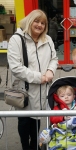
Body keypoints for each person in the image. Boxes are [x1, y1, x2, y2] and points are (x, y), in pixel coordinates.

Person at [7, 9, 58, 150]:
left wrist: (50, 70)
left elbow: (54, 59)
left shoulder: (47, 40)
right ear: (30, 20)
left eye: (43, 23)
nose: (39, 25)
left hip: (43, 90)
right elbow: (16, 67)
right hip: (24, 90)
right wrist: (39, 77)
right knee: (24, 123)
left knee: (36, 123)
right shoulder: (17, 39)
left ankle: (35, 146)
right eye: (36, 21)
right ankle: (25, 146)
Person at [39, 85, 76, 149]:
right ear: (58, 98)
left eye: (69, 95)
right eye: (62, 96)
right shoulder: (58, 108)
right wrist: (62, 117)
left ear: (74, 96)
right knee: (61, 142)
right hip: (63, 130)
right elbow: (52, 118)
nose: (66, 97)